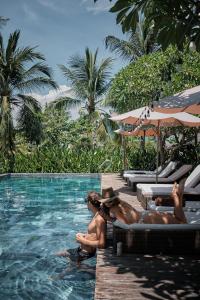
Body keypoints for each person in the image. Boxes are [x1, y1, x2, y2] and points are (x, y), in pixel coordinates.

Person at [56, 191, 107, 264]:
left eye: (86, 201)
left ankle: (84, 268)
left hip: (85, 253)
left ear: (89, 203)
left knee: (65, 271)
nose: (86, 203)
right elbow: (94, 234)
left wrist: (82, 240)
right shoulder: (96, 215)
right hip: (80, 249)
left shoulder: (99, 219)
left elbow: (102, 244)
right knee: (59, 254)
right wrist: (84, 235)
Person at [99, 183, 187, 225]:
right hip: (147, 215)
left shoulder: (114, 209)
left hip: (145, 220)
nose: (107, 204)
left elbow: (126, 223)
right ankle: (178, 197)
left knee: (182, 223)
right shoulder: (121, 202)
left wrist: (110, 220)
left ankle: (176, 197)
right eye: (106, 202)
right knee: (179, 220)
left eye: (107, 201)